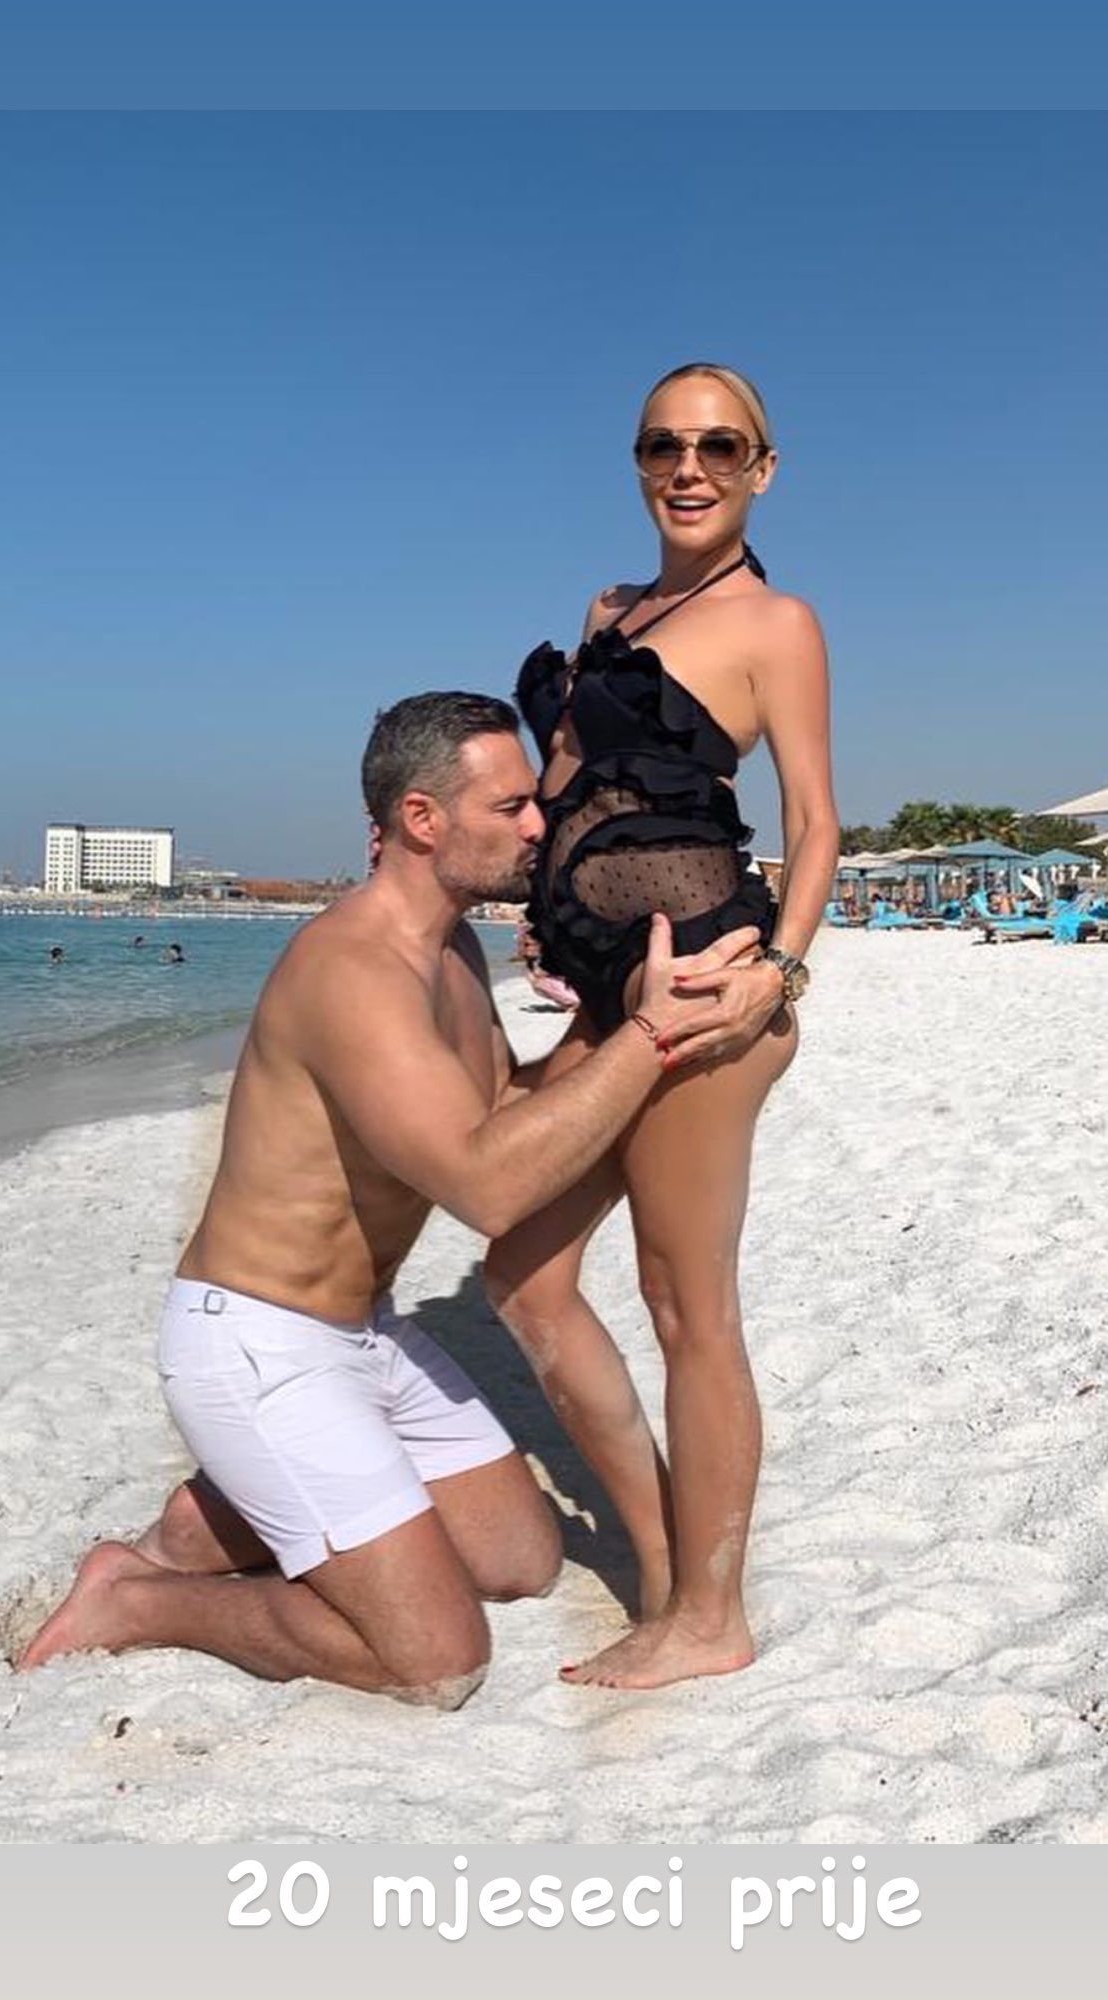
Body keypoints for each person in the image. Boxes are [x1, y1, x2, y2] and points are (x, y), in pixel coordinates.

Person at [20, 693, 720, 1707]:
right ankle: (134, 1600)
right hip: (256, 1343)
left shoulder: (453, 951)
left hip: (363, 1330)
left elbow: (502, 1111)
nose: (539, 825)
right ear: (422, 819)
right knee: (435, 1660)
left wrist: (614, 1013)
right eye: (512, 806)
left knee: (519, 1560)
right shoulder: (353, 970)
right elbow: (489, 1186)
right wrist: (647, 1038)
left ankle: (199, 1528)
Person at [484, 361, 839, 1689]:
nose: (689, 468)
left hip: (704, 993)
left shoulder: (776, 624)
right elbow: (570, 790)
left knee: (688, 1306)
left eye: (719, 446)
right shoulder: (607, 610)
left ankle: (709, 1614)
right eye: (663, 445)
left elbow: (815, 823)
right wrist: (532, 899)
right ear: (638, 461)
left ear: (762, 468)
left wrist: (779, 973)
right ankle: (658, 1550)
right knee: (522, 1273)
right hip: (605, 989)